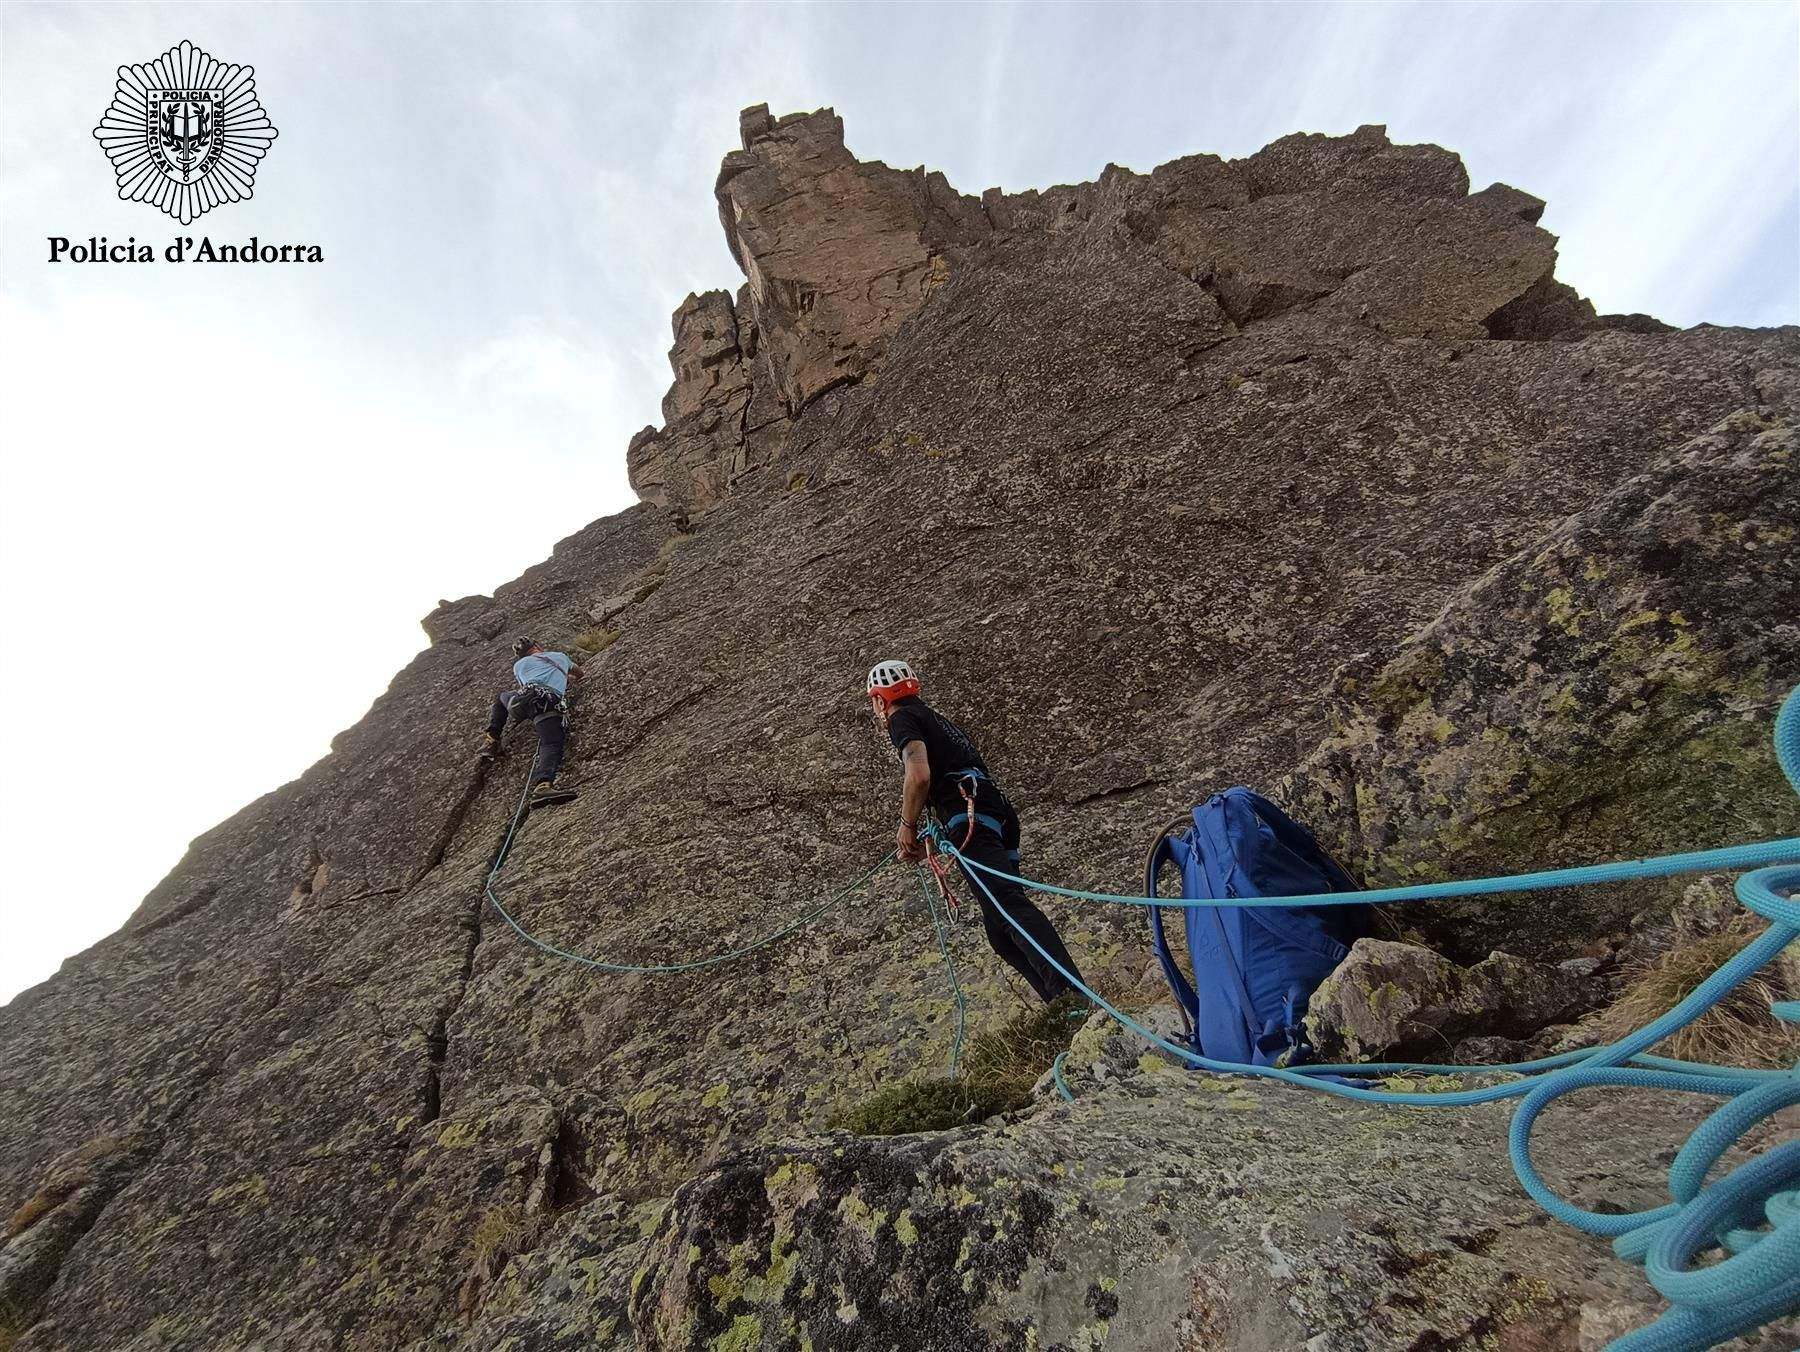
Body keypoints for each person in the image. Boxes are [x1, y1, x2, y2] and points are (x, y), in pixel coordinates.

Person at [868, 659, 1086, 1005]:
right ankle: (1059, 1004)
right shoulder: (938, 721)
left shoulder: (902, 718)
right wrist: (934, 843)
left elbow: (919, 774)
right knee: (1000, 931)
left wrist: (906, 826)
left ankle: (1071, 996)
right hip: (990, 812)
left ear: (880, 700)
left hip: (969, 813)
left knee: (1008, 906)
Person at [481, 637, 584, 808]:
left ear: (521, 655)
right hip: (547, 702)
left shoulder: (519, 665)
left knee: (501, 697)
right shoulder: (559, 656)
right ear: (537, 646)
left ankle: (491, 737)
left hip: (520, 702)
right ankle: (543, 786)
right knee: (551, 743)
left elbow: (526, 684)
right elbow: (579, 673)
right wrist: (567, 677)